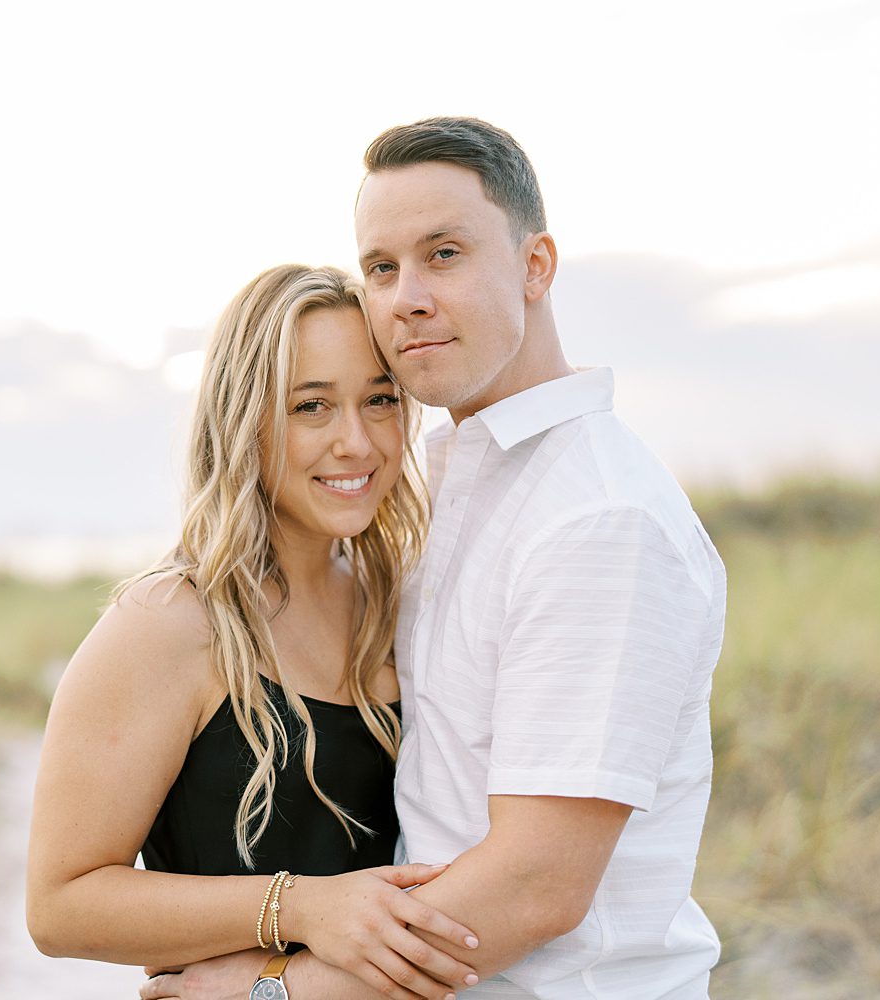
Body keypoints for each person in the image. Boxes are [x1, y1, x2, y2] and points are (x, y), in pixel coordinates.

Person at [140, 119, 726, 1000]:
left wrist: (271, 992)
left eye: (443, 254)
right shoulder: (469, 477)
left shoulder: (596, 518)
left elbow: (534, 887)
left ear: (536, 266)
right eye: (381, 267)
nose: (405, 297)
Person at [25, 263, 486, 1000]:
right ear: (245, 419)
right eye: (311, 407)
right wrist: (300, 907)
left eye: (379, 399)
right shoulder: (169, 623)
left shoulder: (401, 605)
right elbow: (60, 907)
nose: (356, 443)